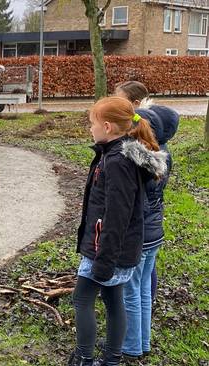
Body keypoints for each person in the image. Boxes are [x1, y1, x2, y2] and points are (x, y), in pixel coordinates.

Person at [68, 97, 168, 366]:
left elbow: (118, 215)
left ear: (108, 127)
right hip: (112, 248)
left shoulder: (117, 162)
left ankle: (85, 358)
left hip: (107, 249)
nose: (90, 128)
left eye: (92, 124)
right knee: (114, 299)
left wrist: (105, 260)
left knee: (82, 299)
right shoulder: (114, 155)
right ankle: (112, 359)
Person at [119, 103, 179, 360]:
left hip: (139, 234)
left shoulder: (139, 160)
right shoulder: (163, 154)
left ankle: (131, 345)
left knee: (130, 291)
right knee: (142, 289)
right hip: (155, 232)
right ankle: (142, 342)